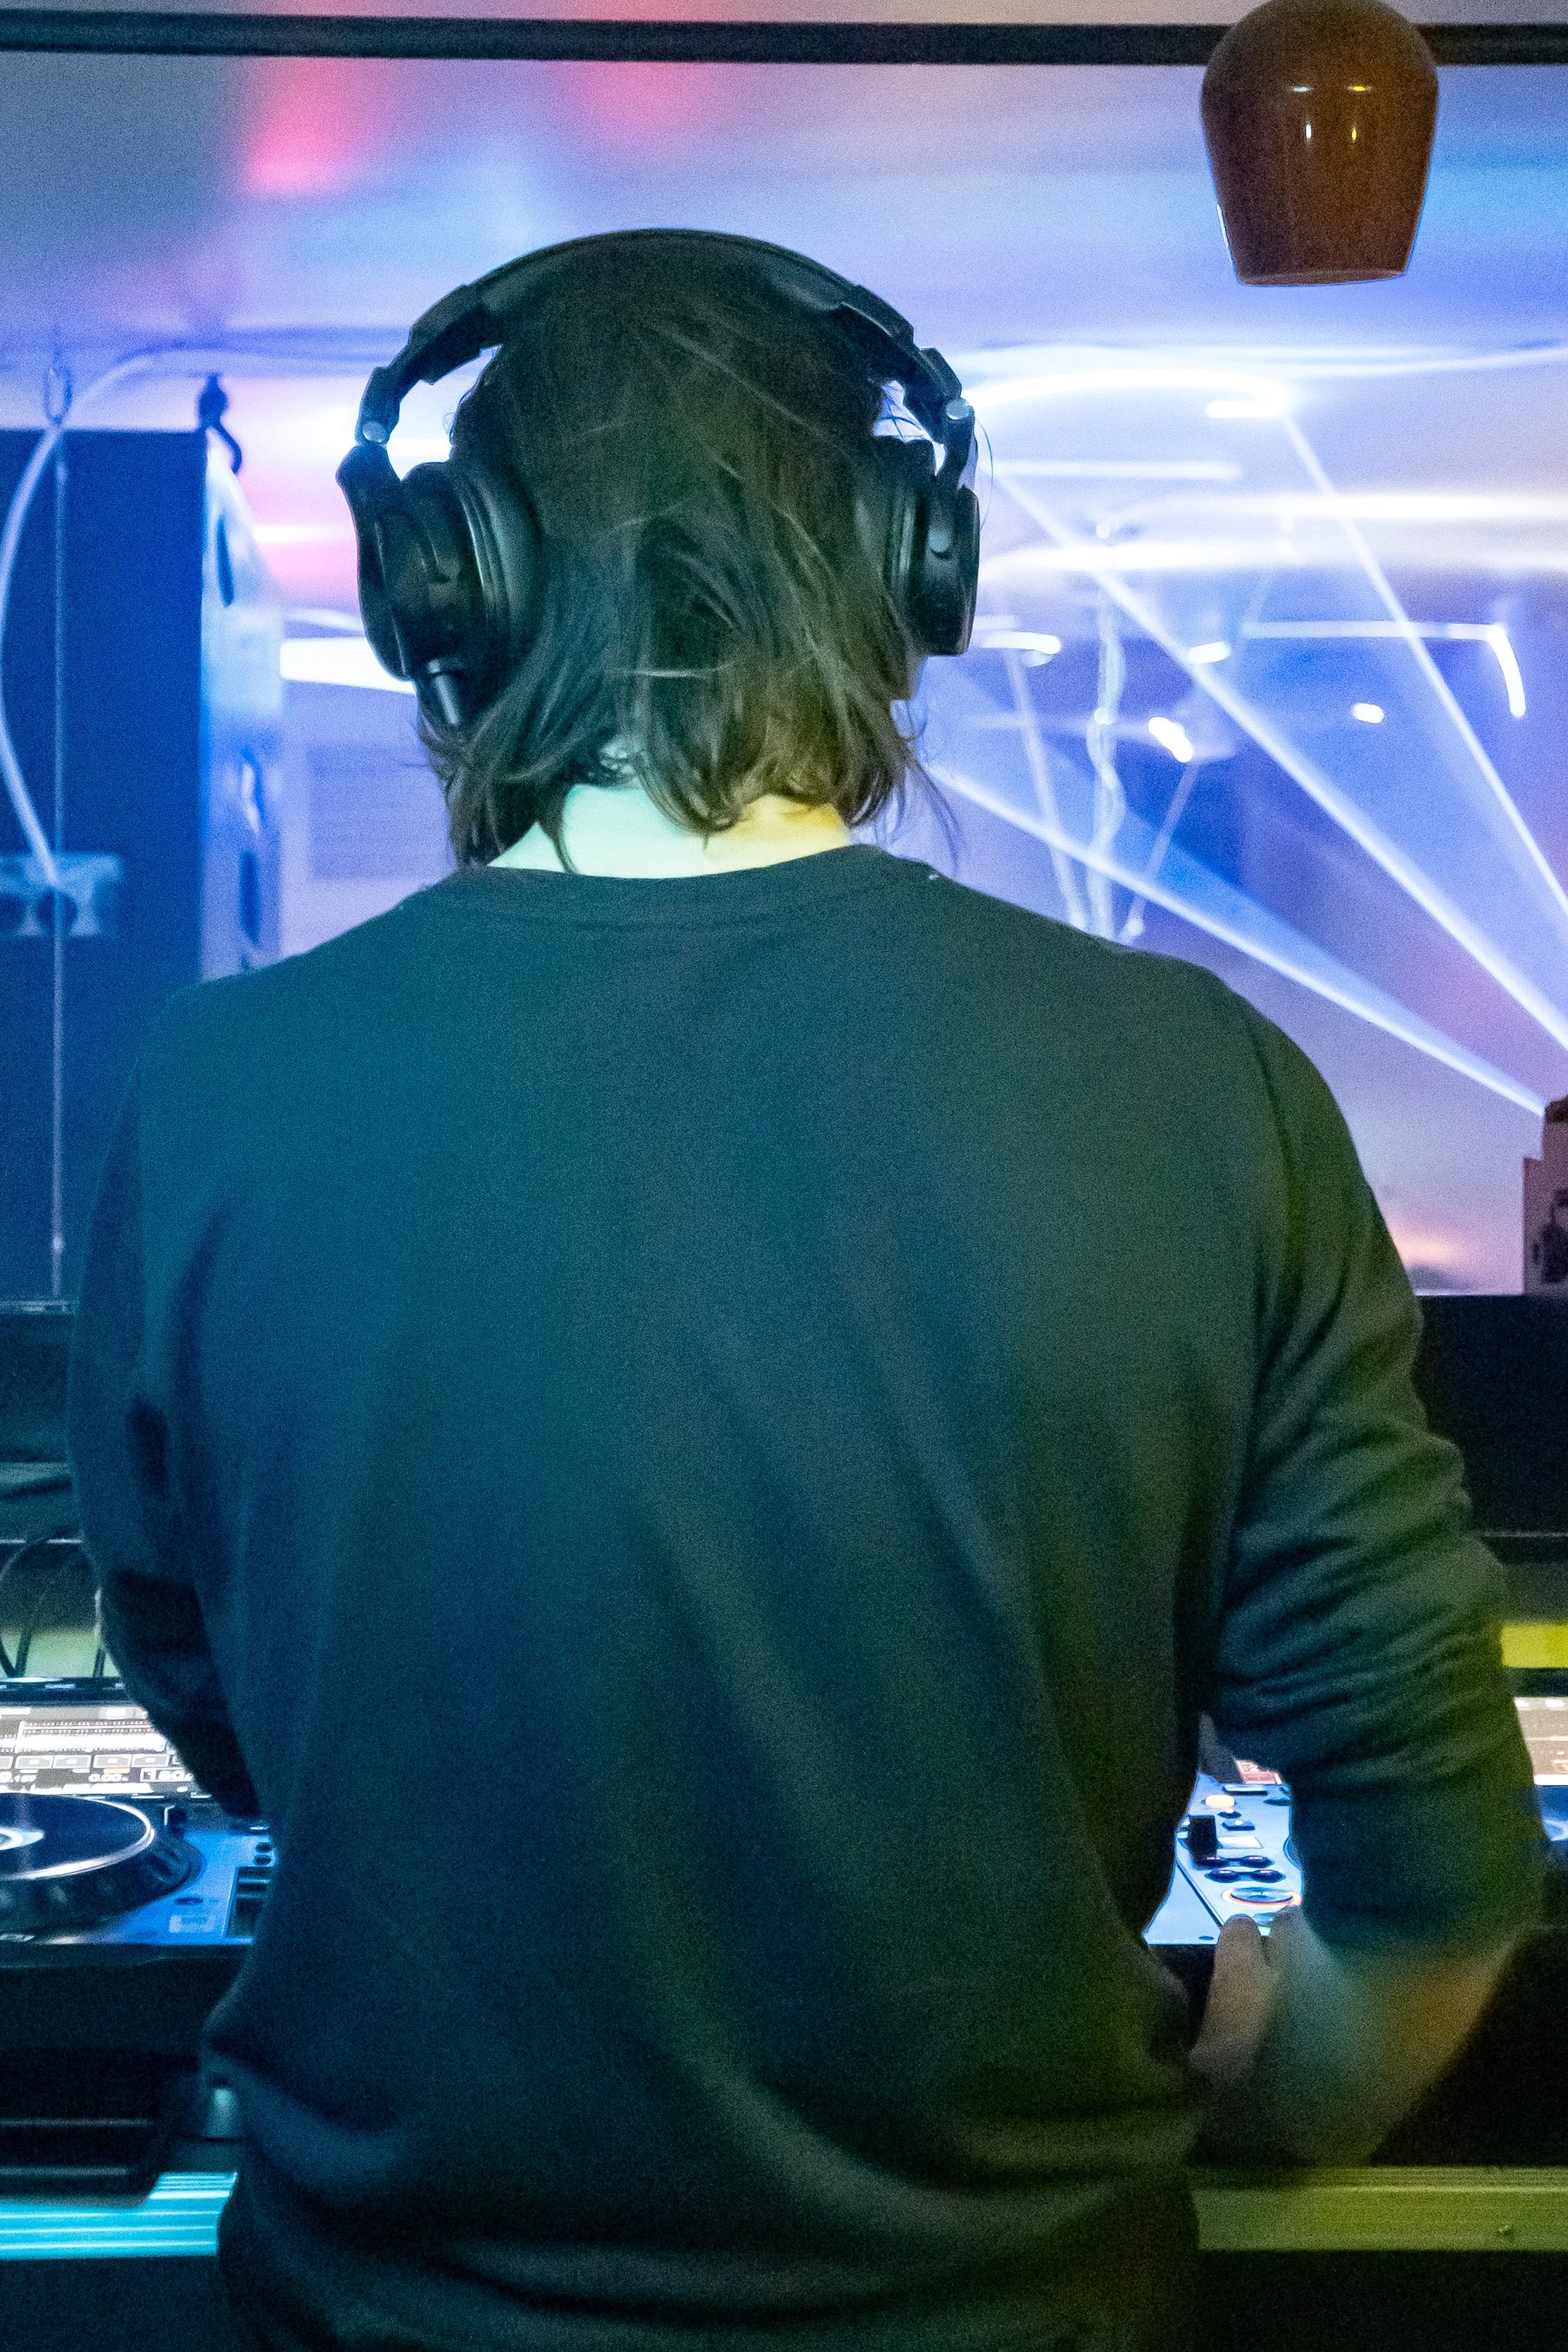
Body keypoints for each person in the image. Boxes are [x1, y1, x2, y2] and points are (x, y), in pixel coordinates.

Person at [67, 232, 1541, 2352]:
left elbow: (224, 1712)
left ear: (447, 591)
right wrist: (1263, 2106)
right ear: (899, 566)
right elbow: (1434, 1872)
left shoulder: (214, 1092)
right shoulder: (1201, 1090)